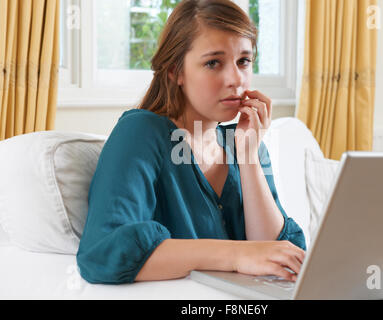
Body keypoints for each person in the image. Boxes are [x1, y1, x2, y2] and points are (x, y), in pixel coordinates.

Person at [76, 0, 306, 285]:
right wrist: (237, 255)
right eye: (213, 63)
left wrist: (248, 157)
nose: (236, 79)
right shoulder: (140, 132)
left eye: (244, 61)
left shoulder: (248, 145)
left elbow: (277, 256)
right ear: (175, 71)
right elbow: (103, 253)